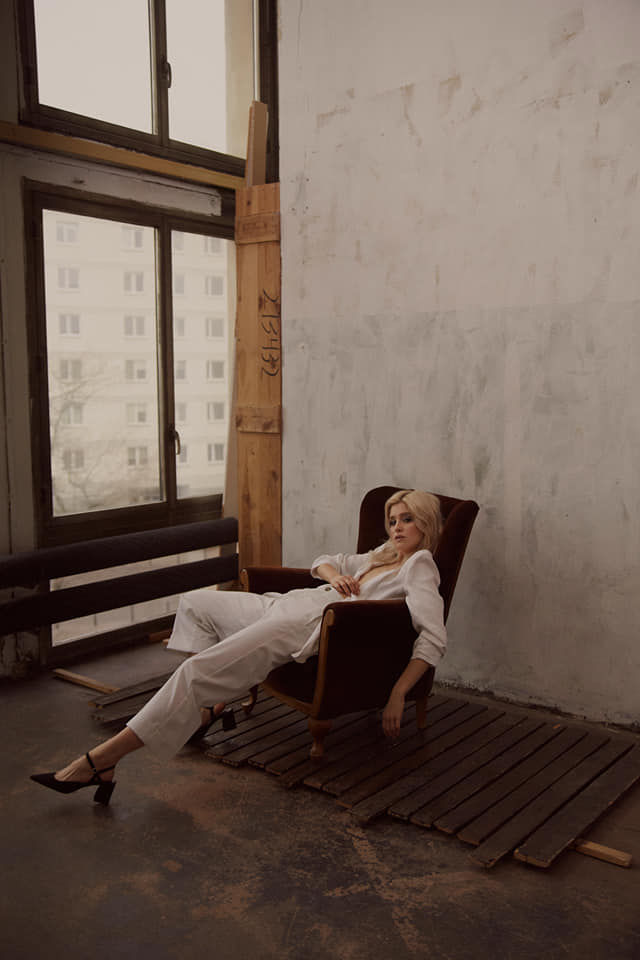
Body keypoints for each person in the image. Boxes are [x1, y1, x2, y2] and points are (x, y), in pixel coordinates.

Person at [31, 490, 447, 804]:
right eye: (392, 520)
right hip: (286, 604)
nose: (396, 527)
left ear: (425, 524)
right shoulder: (382, 555)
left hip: (298, 626)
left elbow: (433, 637)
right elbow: (323, 559)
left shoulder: (419, 565)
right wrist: (334, 575)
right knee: (195, 604)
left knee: (195, 673)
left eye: (407, 520)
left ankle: (101, 761)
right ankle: (207, 709)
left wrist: (399, 692)